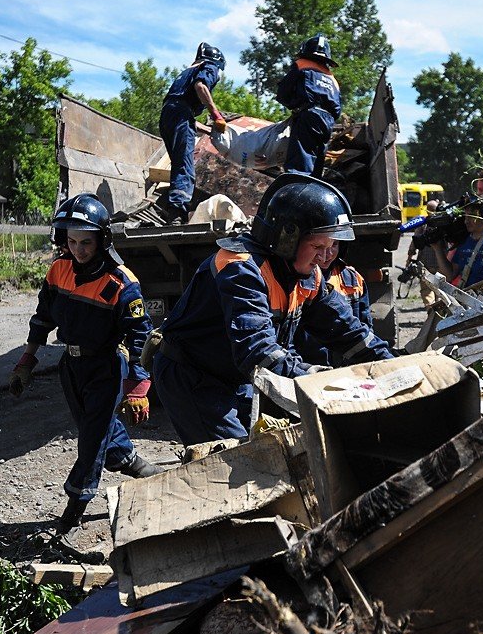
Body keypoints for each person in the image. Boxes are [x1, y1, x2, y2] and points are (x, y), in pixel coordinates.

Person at [153, 173, 394, 446]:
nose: (327, 257)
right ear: (286, 239)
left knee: (270, 451)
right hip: (193, 378)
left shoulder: (310, 276)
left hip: (234, 375)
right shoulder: (241, 268)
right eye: (318, 245)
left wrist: (392, 366)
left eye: (333, 246)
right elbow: (257, 352)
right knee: (237, 462)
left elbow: (348, 331)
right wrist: (325, 381)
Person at [7, 193, 161, 551]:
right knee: (94, 426)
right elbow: (43, 317)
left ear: (102, 239)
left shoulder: (122, 283)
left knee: (90, 442)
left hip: (105, 368)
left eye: (86, 242)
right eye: (71, 241)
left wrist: (139, 388)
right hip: (70, 367)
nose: (78, 249)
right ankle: (130, 461)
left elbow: (142, 338)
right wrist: (27, 360)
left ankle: (75, 509)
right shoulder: (59, 269)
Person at [158, 42, 227, 225]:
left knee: (178, 163)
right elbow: (201, 86)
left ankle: (173, 210)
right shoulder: (209, 66)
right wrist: (216, 115)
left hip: (168, 114)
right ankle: (177, 213)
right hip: (180, 114)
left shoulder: (186, 73)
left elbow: (183, 114)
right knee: (185, 165)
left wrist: (208, 131)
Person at [292, 240, 373, 366]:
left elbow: (364, 330)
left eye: (334, 245)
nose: (327, 254)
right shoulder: (296, 281)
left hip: (348, 370)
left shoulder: (353, 279)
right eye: (318, 246)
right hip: (307, 368)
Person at [275, 34, 342, 177]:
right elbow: (337, 109)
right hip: (328, 122)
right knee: (317, 165)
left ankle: (295, 192)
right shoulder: (332, 78)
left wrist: (295, 107)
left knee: (300, 162)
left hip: (309, 116)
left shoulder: (302, 64)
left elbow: (283, 93)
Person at [405, 199, 442, 307]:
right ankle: (439, 312)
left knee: (426, 290)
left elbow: (414, 243)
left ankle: (430, 310)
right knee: (440, 289)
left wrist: (409, 259)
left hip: (425, 263)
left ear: (427, 211)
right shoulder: (443, 223)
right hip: (441, 263)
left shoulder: (423, 224)